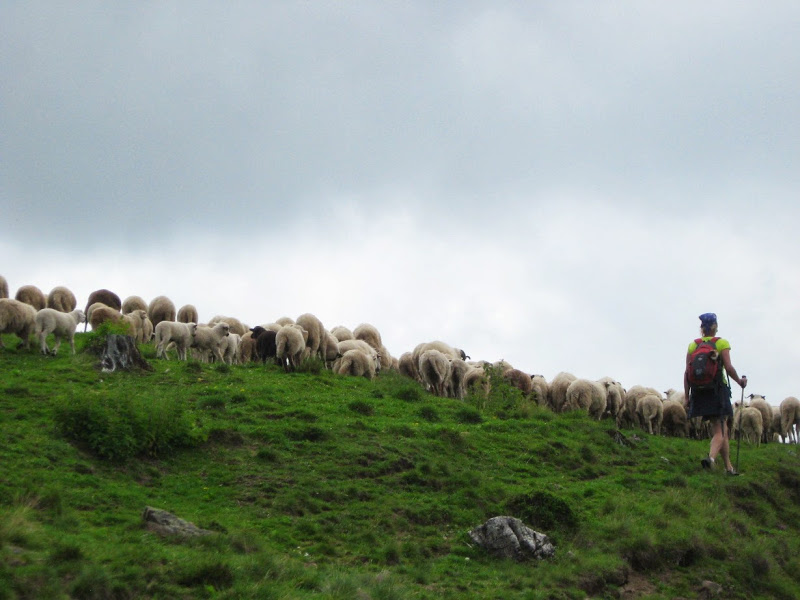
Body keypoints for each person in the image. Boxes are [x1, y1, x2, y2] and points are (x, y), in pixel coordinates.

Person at [684, 312, 747, 475]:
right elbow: (729, 367)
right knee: (721, 431)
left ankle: (728, 468)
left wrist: (686, 396)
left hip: (699, 392)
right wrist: (740, 382)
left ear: (701, 328)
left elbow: (686, 373)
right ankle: (710, 459)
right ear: (715, 327)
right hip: (717, 391)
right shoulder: (721, 343)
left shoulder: (693, 345)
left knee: (722, 427)